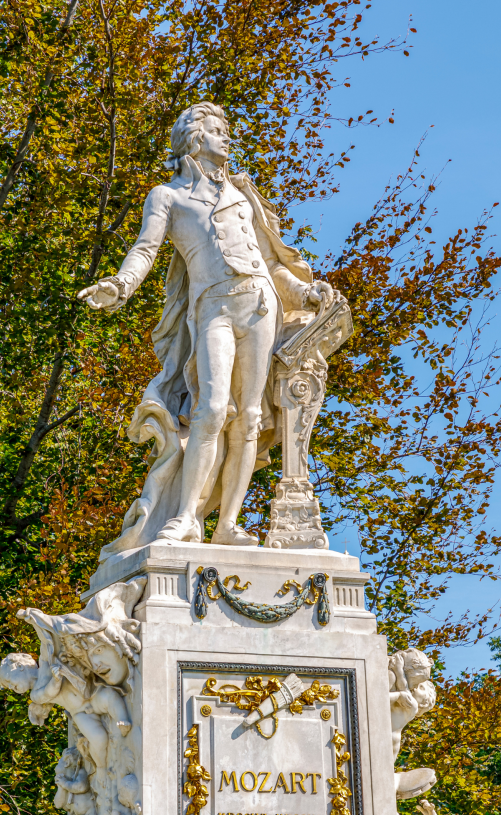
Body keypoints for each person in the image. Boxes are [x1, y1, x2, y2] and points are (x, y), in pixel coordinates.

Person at [78, 101, 334, 547]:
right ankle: (184, 518)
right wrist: (120, 285)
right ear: (196, 139)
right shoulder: (168, 196)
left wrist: (305, 293)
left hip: (260, 306)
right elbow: (145, 249)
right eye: (218, 131)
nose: (227, 139)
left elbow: (270, 265)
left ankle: (228, 525)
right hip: (212, 308)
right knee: (212, 409)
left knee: (250, 418)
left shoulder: (241, 195)